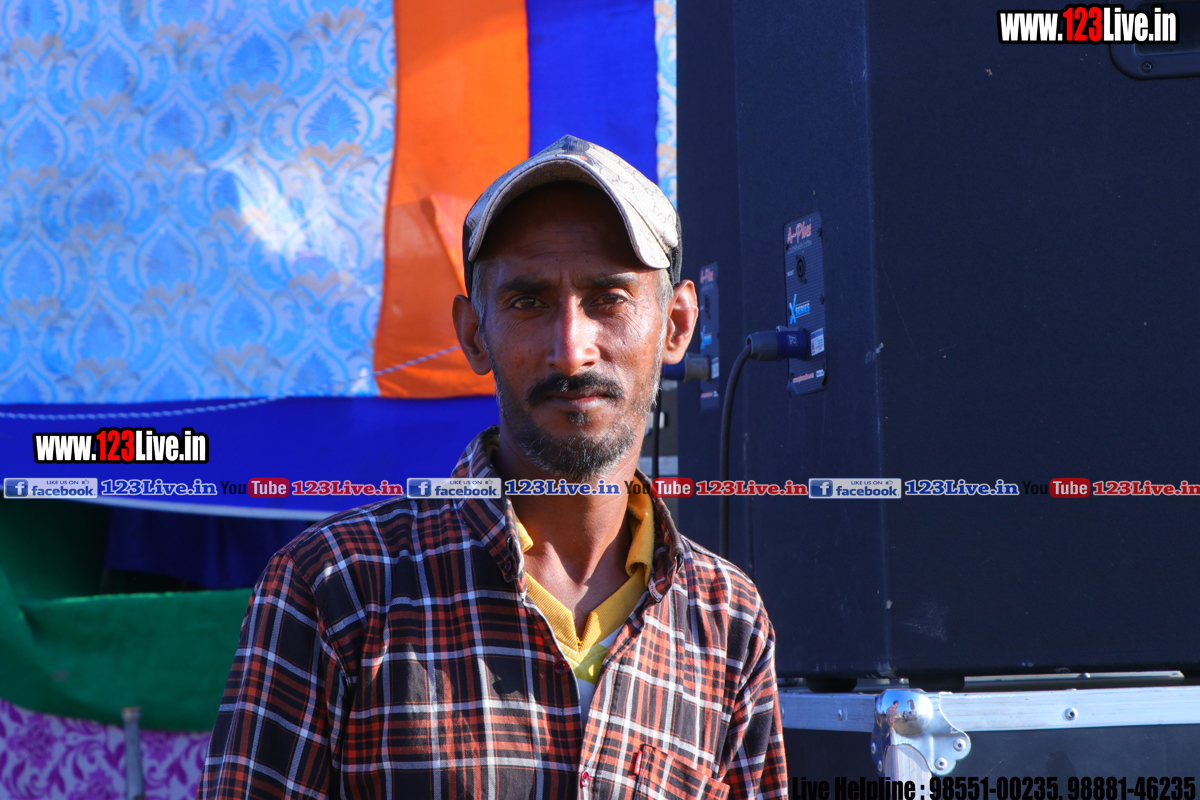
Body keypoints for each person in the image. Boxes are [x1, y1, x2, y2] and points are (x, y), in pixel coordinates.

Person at [198, 135, 787, 800]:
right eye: (528, 301)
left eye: (608, 297)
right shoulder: (337, 587)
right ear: (474, 334)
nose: (571, 350)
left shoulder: (727, 621)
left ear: (676, 324)